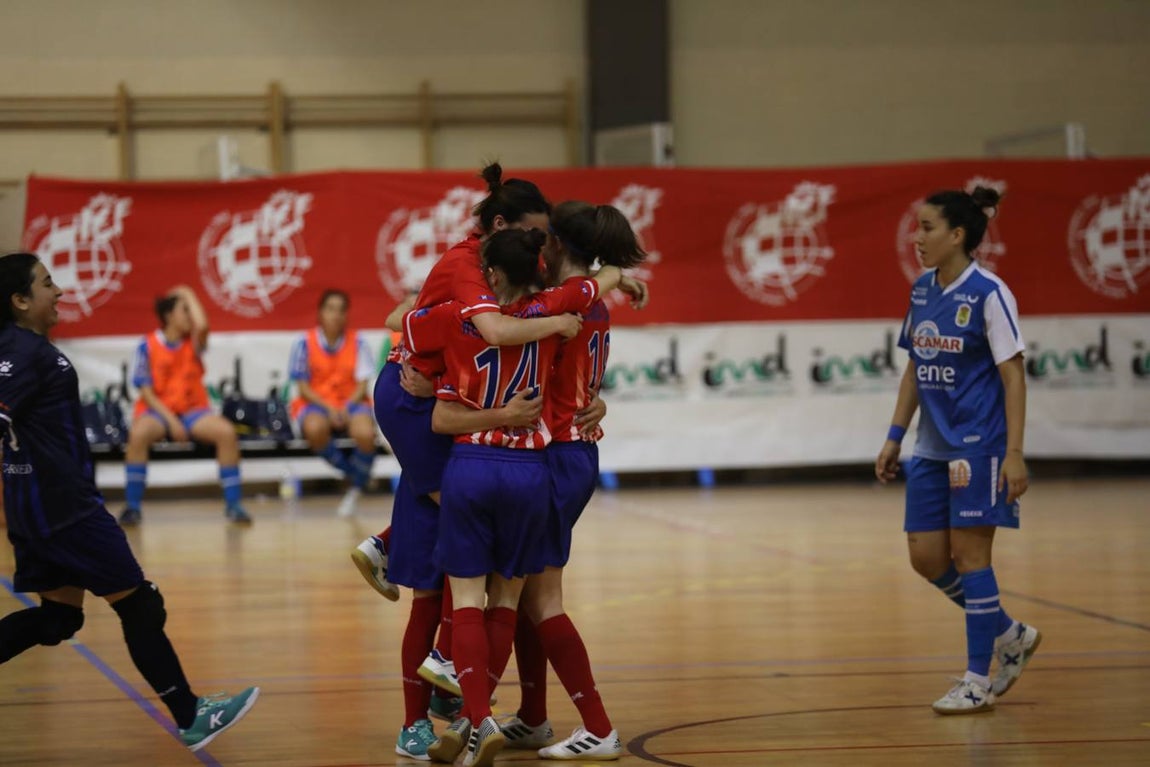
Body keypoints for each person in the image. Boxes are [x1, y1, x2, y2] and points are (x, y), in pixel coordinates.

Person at [355, 163, 586, 761]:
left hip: (461, 447)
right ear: (506, 233)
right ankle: (453, 689)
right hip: (485, 449)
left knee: (441, 591)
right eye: (536, 239)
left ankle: (454, 700)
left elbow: (399, 318)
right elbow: (552, 321)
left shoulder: (482, 313)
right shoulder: (538, 314)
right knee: (493, 592)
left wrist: (418, 348)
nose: (544, 250)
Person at [0, 252, 260, 753]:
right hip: (66, 512)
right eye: (47, 283)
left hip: (39, 510)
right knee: (140, 605)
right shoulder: (29, 355)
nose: (59, 292)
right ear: (20, 299)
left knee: (59, 619)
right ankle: (191, 714)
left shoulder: (22, 348)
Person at [403, 228, 627, 767]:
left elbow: (407, 329)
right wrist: (619, 277)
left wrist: (425, 377)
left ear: (493, 276)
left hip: (475, 465)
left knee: (471, 601)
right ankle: (517, 716)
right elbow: (594, 289)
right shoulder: (558, 310)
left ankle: (477, 717)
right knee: (513, 598)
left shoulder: (461, 320)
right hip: (533, 468)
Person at [486, 200, 645, 761]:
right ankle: (531, 717)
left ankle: (598, 728)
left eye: (543, 240)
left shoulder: (557, 306)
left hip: (554, 457)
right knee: (531, 593)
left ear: (555, 245)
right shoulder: (594, 302)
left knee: (538, 597)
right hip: (575, 454)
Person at [874, 188, 1041, 715]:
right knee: (926, 559)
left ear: (958, 235)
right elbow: (914, 368)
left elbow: (1014, 376)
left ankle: (977, 679)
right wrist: (895, 436)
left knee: (972, 558)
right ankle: (1009, 634)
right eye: (917, 227)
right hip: (931, 446)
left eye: (926, 228)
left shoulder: (989, 292)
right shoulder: (923, 291)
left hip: (981, 445)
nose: (917, 237)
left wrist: (1015, 452)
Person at [119, 285, 250, 525]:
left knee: (226, 433)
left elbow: (203, 325)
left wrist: (188, 292)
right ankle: (133, 507)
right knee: (138, 433)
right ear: (169, 316)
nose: (190, 316)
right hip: (158, 412)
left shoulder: (194, 342)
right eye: (184, 311)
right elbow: (146, 393)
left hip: (193, 411)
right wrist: (171, 421)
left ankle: (234, 505)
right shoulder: (146, 346)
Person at [288, 289, 378, 517]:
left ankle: (356, 486)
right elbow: (303, 388)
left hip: (351, 401)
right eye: (330, 309)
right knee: (314, 428)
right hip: (317, 402)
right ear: (320, 313)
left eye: (341, 310)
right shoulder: (304, 342)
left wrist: (345, 408)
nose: (335, 315)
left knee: (366, 434)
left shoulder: (358, 342)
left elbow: (361, 384)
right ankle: (354, 475)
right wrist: (329, 409)